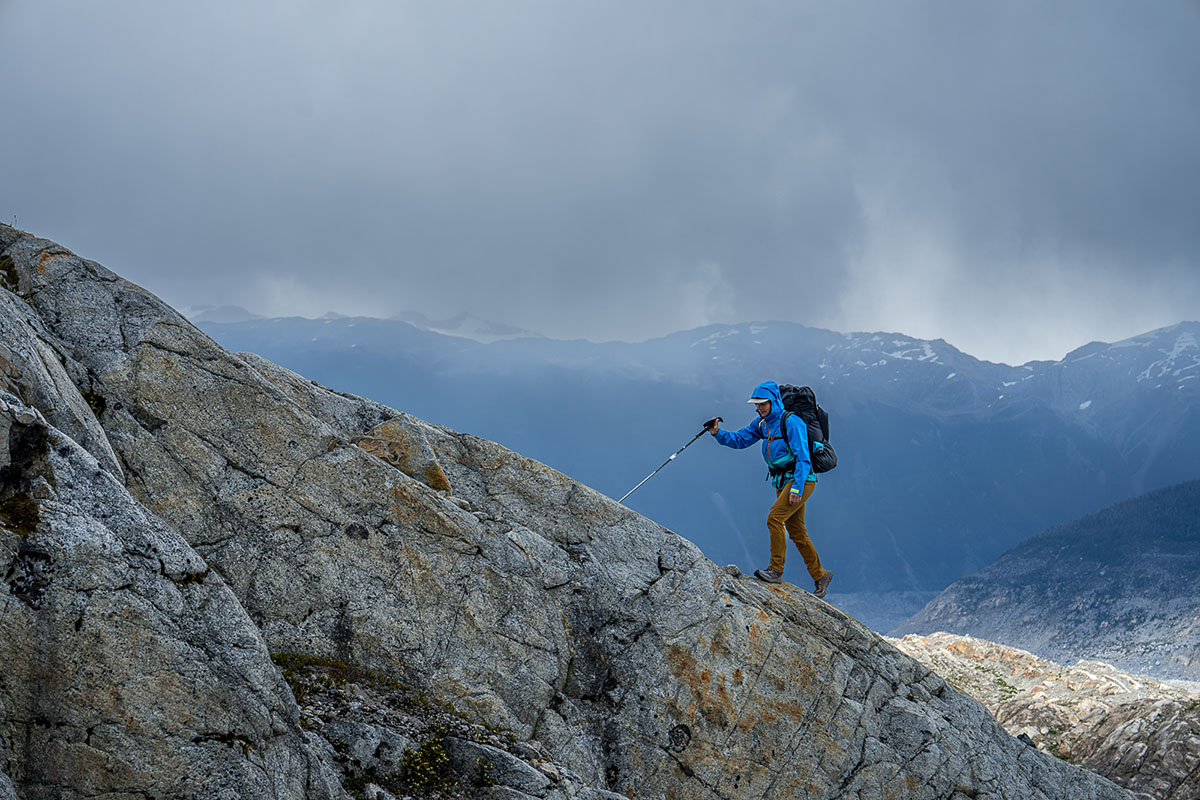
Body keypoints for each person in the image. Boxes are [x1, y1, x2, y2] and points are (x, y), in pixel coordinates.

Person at [706, 380, 833, 597]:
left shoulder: (791, 422)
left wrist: (797, 489)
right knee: (797, 531)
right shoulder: (762, 424)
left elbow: (803, 458)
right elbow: (740, 440)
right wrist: (718, 433)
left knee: (774, 518)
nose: (759, 408)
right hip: (782, 481)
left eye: (763, 403)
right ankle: (820, 575)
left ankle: (775, 570)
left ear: (773, 401)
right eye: (756, 404)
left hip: (801, 480)